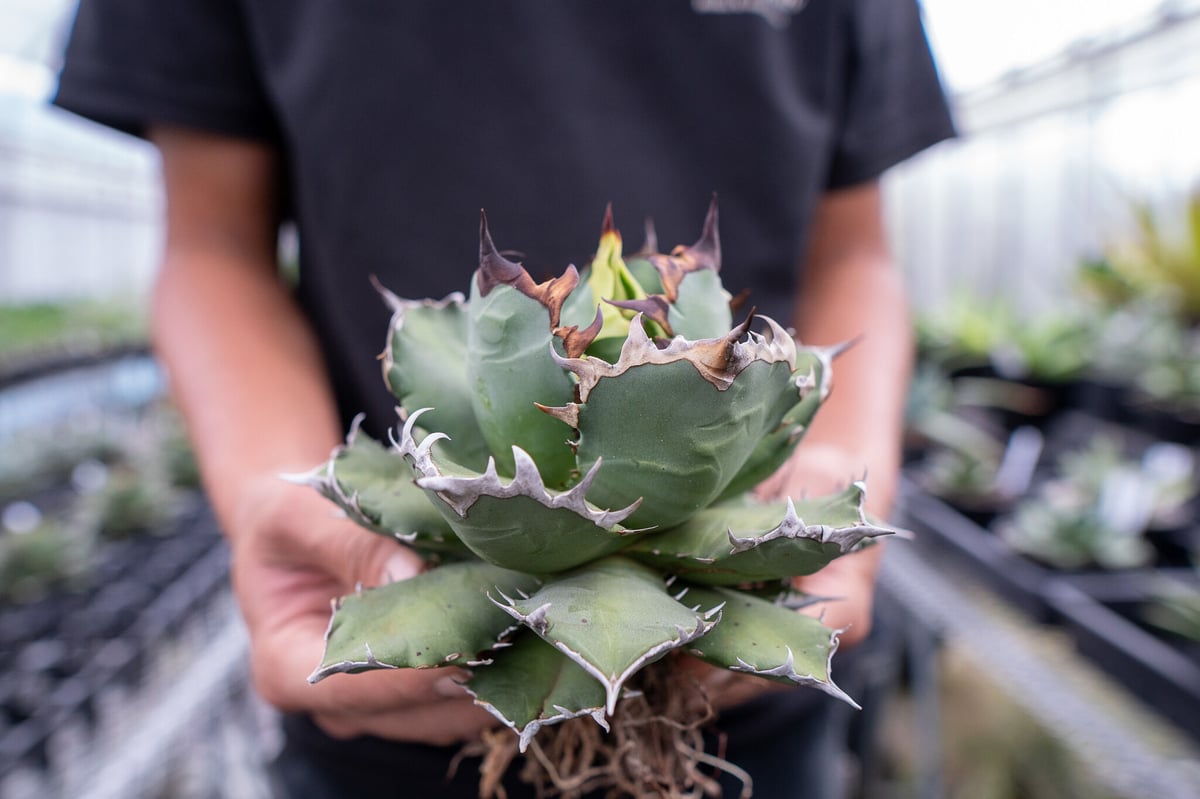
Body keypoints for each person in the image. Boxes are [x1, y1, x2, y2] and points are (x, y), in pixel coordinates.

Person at [54, 1, 954, 796]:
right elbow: (214, 241)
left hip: (740, 709)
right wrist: (270, 487)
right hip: (396, 701)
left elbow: (854, 251)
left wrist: (844, 472)